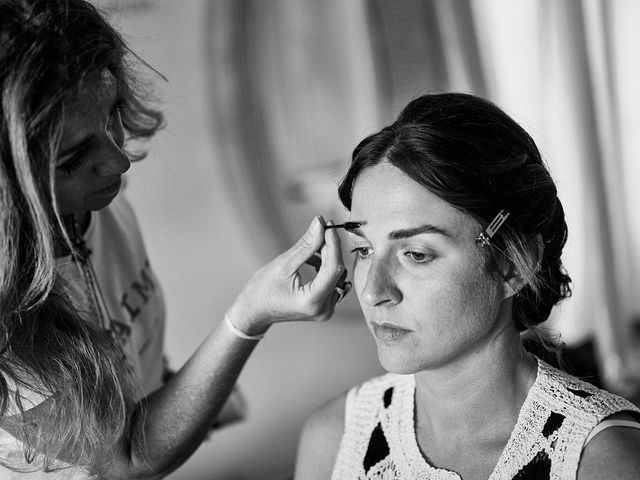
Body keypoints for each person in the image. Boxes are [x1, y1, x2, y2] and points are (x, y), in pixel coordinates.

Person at [0, 0, 348, 478]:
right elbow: (127, 462)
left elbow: (125, 338)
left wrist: (172, 389)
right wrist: (248, 317)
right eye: (74, 158)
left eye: (112, 115)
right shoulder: (7, 326)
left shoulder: (99, 207)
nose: (119, 163)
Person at [295, 92, 640, 480]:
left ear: (514, 263)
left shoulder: (606, 462)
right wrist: (246, 320)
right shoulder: (334, 439)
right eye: (363, 249)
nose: (374, 292)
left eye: (417, 254)